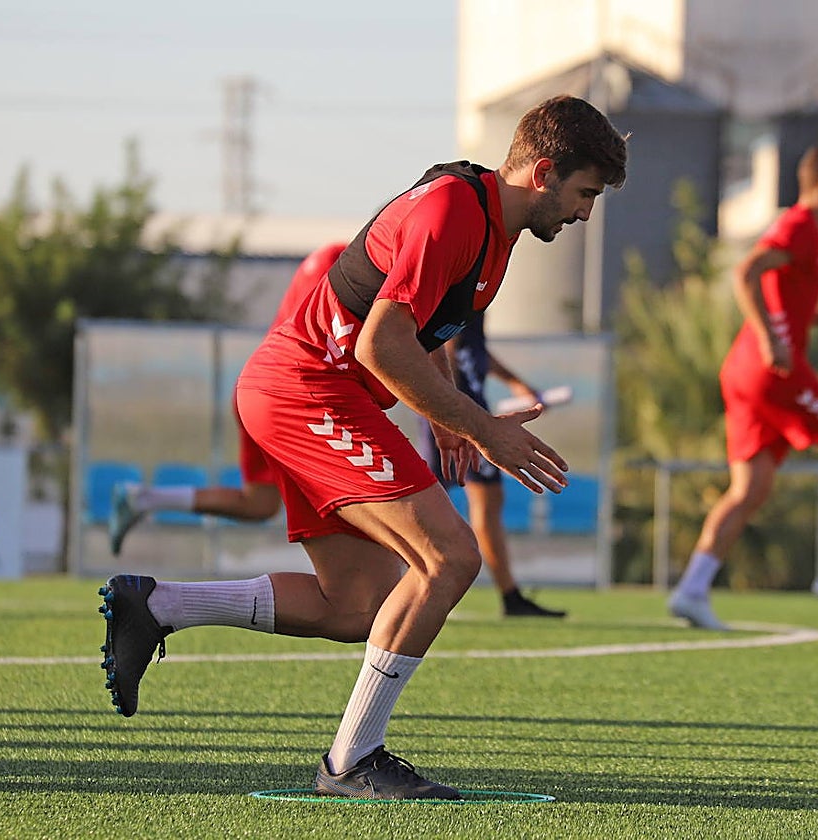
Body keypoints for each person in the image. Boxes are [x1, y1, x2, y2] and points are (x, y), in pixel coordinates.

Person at [98, 95, 628, 801]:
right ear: (542, 173)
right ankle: (352, 760)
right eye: (585, 193)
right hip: (307, 391)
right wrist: (481, 426)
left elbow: (420, 327)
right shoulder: (454, 211)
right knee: (450, 557)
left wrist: (447, 415)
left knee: (354, 606)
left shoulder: (490, 228)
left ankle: (159, 605)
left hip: (310, 393)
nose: (585, 213)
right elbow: (381, 344)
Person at [667, 145, 818, 631]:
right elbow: (747, 272)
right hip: (775, 374)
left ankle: (691, 590)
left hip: (744, 372)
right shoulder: (801, 225)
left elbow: (787, 302)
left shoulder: (807, 231)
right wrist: (770, 340)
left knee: (750, 489)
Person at [105, 242, 349, 556]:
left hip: (263, 388)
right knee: (345, 500)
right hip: (288, 393)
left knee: (260, 504)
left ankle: (146, 499)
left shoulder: (333, 258)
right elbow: (329, 336)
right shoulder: (338, 261)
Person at [417, 310, 566, 618]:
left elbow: (473, 348)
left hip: (466, 408)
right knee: (422, 501)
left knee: (486, 499)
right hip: (454, 412)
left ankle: (510, 597)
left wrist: (515, 382)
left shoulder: (478, 295)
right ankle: (400, 584)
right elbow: (442, 343)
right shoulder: (459, 287)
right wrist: (454, 410)